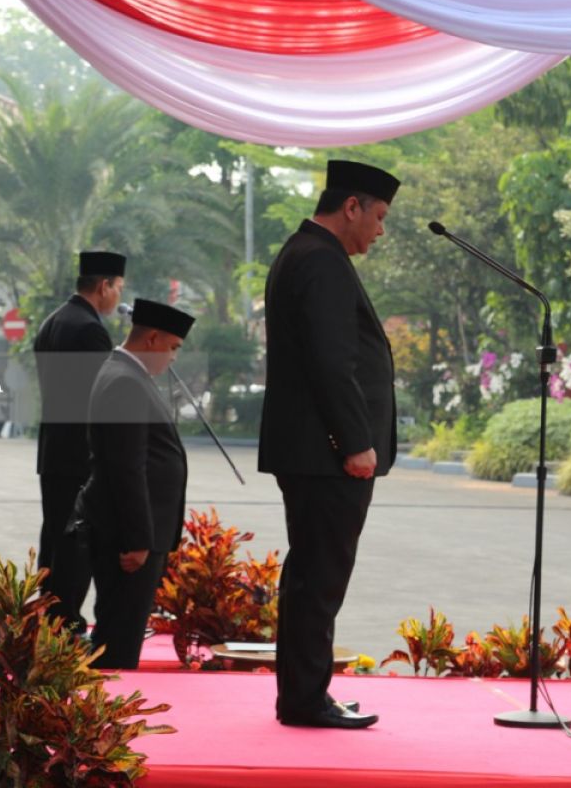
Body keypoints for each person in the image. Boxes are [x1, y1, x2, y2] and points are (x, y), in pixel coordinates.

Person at [259, 160, 400, 730]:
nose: (380, 231)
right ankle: (306, 700)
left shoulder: (306, 253)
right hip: (326, 453)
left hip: (312, 450)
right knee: (319, 578)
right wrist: (355, 442)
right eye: (379, 216)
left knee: (309, 576)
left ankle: (302, 695)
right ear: (352, 206)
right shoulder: (321, 261)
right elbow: (330, 364)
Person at [74, 298, 195, 669]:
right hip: (125, 535)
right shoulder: (125, 381)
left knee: (119, 629)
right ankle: (105, 712)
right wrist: (137, 539)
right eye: (173, 347)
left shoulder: (126, 374)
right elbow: (127, 468)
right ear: (153, 338)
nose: (173, 357)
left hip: (124, 527)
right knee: (118, 639)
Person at [33, 250, 125, 632]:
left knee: (55, 537)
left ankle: (49, 618)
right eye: (118, 288)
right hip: (78, 455)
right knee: (73, 543)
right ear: (104, 286)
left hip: (54, 450)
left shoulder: (54, 321)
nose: (119, 296)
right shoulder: (88, 329)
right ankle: (65, 624)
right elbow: (99, 398)